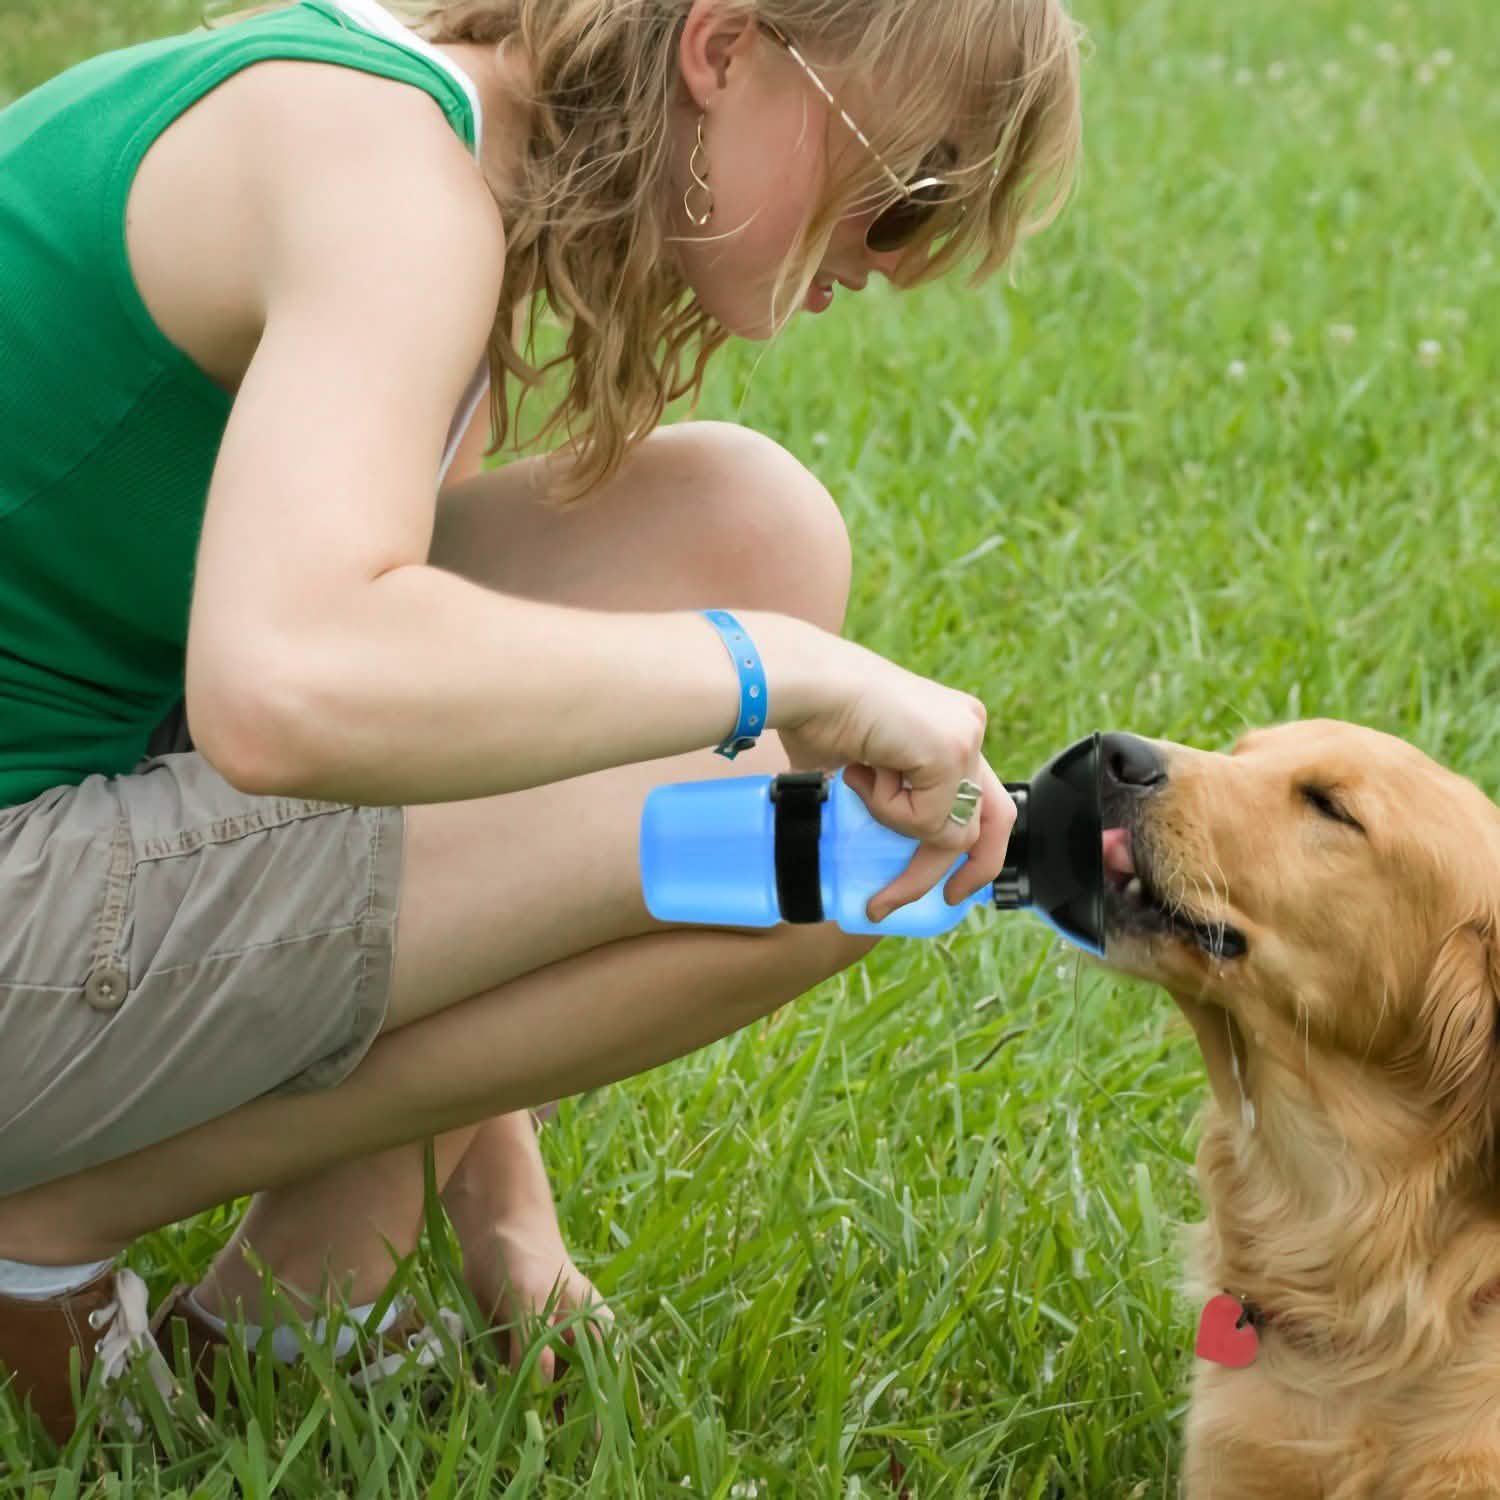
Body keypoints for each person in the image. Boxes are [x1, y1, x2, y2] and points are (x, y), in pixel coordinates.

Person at [0, 0, 1080, 1444]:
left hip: (57, 820)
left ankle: (309, 1298)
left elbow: (424, 722)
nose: (904, 263)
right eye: (914, 190)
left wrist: (504, 1205)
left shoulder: (421, 138)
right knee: (827, 850)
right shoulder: (384, 182)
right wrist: (775, 672)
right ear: (723, 47)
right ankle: (43, 1232)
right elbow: (286, 686)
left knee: (745, 533)